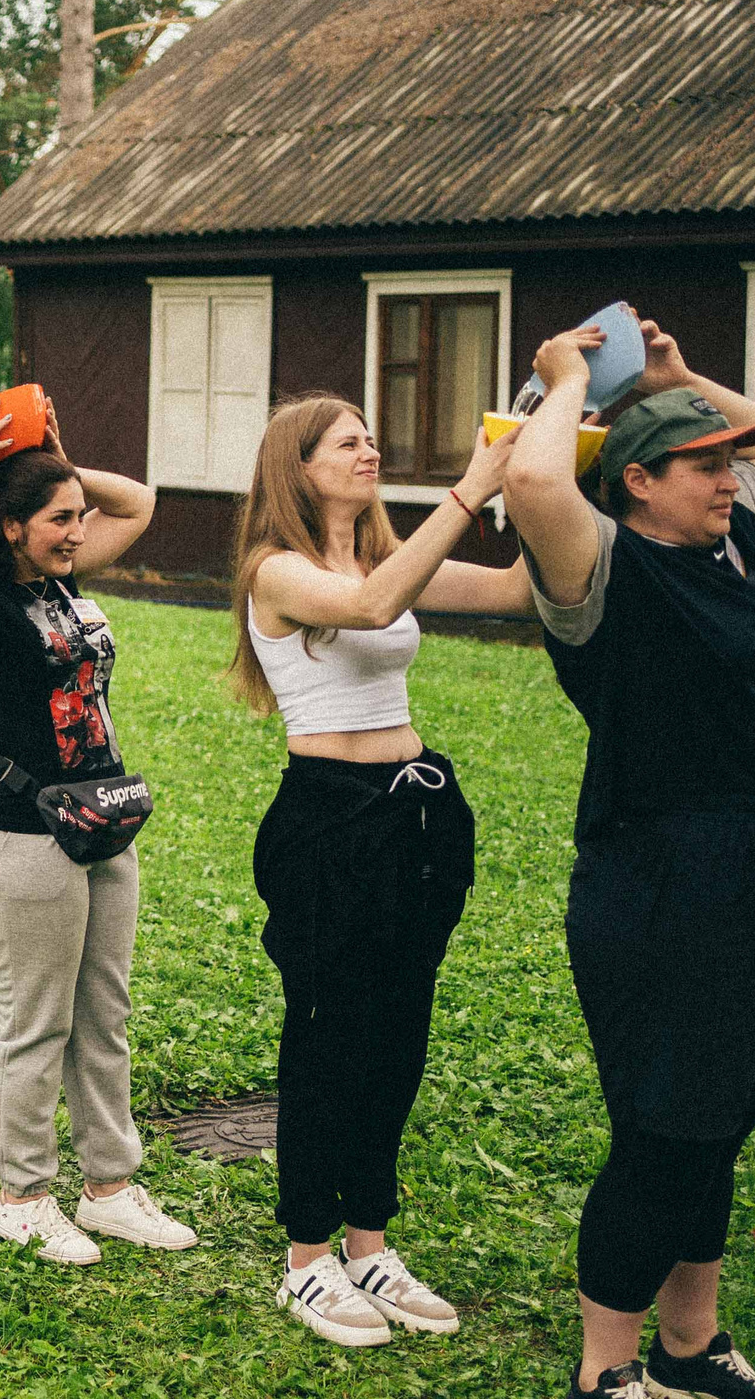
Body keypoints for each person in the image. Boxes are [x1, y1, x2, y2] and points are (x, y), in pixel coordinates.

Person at [502, 316, 755, 1399]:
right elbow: (538, 472)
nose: (729, 481)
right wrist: (568, 376)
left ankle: (691, 1346)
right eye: (701, 465)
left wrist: (686, 383)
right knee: (665, 1127)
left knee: (722, 1118)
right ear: (634, 481)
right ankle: (601, 1379)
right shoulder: (597, 569)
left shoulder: (735, 547)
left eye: (726, 467)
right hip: (660, 878)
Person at [226, 394, 534, 1344]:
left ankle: (369, 1241)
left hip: (414, 816)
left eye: (371, 435)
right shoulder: (277, 570)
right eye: (346, 442)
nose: (369, 449)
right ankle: (307, 1259)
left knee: (400, 1033)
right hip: (328, 823)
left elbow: (520, 590)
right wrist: (468, 487)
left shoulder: (386, 559)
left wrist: (528, 486)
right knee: (328, 1036)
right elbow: (370, 606)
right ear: (299, 464)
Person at [0, 398, 196, 1262]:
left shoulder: (60, 577)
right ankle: (21, 1196)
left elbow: (136, 501)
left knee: (105, 1014)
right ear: (13, 528)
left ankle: (109, 1186)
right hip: (17, 827)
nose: (77, 529)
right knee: (36, 1019)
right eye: (58, 518)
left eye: (74, 519)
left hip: (101, 815)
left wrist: (58, 458)